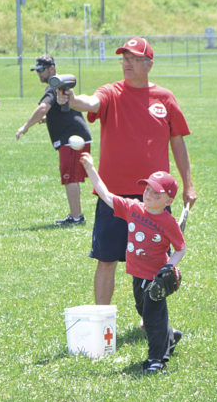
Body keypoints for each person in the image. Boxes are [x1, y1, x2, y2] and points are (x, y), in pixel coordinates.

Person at [57, 37, 197, 307]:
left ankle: (152, 319)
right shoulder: (112, 92)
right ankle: (102, 319)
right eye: (124, 58)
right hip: (114, 196)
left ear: (149, 64)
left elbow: (177, 140)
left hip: (153, 199)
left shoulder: (165, 98)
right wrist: (72, 100)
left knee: (154, 262)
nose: (127, 63)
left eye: (133, 59)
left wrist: (188, 184)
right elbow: (91, 103)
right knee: (107, 259)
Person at [80, 152, 186, 372]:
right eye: (147, 189)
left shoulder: (168, 222)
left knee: (153, 317)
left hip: (156, 278)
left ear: (168, 200)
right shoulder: (134, 208)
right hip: (137, 274)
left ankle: (157, 358)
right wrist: (90, 169)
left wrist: (170, 266)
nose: (148, 194)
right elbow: (106, 195)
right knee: (144, 311)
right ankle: (170, 336)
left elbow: (180, 248)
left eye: (156, 193)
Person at [16, 55, 92, 225]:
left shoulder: (53, 85)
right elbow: (57, 110)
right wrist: (46, 120)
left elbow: (43, 107)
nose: (39, 74)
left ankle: (76, 217)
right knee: (71, 178)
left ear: (52, 68)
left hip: (71, 139)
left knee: (70, 178)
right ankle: (76, 214)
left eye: (41, 70)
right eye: (37, 71)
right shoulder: (58, 84)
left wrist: (25, 126)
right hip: (76, 136)